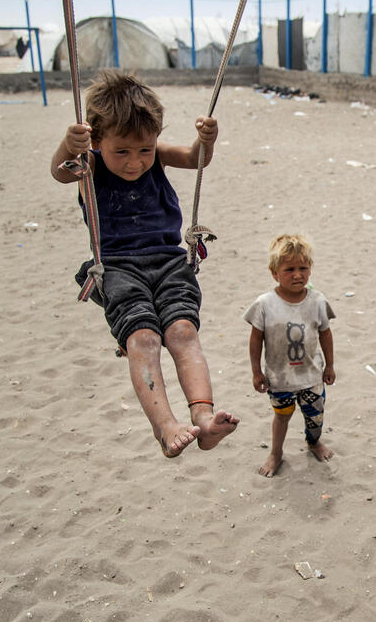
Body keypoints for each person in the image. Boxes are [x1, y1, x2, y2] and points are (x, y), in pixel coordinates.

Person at [50, 70, 238, 458]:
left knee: (183, 332)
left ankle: (202, 418)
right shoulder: (89, 164)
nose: (135, 162)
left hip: (169, 260)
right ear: (98, 141)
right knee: (144, 339)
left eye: (145, 150)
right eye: (122, 151)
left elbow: (194, 159)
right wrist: (69, 147)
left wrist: (207, 141)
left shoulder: (156, 157)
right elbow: (59, 172)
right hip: (117, 267)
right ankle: (166, 426)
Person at [244, 234, 336, 477]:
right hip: (280, 379)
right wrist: (256, 371)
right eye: (290, 269)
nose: (297, 274)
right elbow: (255, 340)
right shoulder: (265, 304)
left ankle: (314, 443)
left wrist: (330, 366)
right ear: (275, 272)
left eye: (303, 268)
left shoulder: (317, 301)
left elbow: (326, 334)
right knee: (281, 417)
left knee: (315, 416)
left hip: (312, 377)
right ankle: (276, 452)